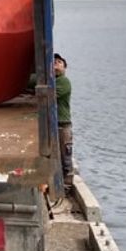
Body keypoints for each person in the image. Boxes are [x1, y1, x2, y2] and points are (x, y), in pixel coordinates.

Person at [54, 52, 73, 189]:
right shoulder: (53, 80)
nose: (56, 63)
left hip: (62, 124)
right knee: (58, 155)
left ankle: (67, 184)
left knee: (65, 156)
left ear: (65, 68)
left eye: (59, 62)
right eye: (54, 61)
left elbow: (51, 95)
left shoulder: (64, 82)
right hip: (54, 124)